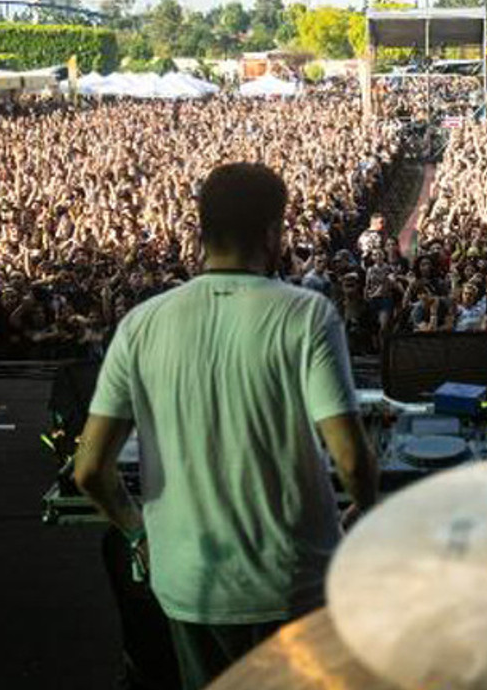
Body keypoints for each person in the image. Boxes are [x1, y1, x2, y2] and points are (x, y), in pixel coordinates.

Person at [74, 162, 380, 690]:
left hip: (190, 583)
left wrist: (137, 533)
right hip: (294, 581)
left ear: (201, 232)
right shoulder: (306, 314)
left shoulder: (141, 324)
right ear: (272, 233)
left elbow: (90, 469)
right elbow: (350, 459)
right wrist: (365, 508)